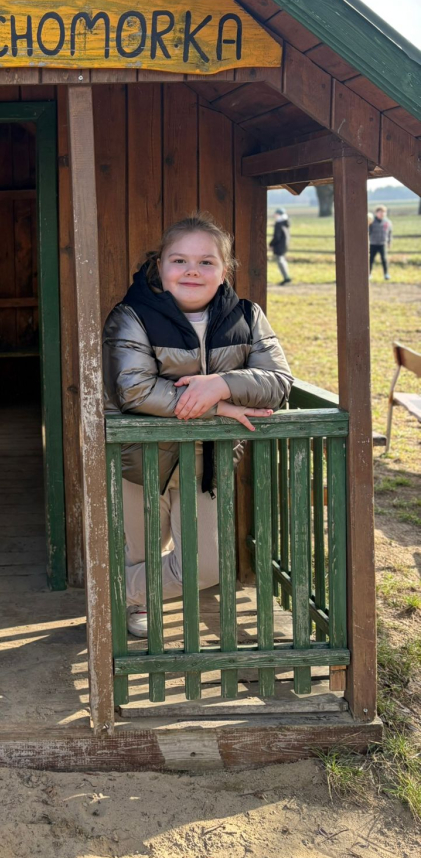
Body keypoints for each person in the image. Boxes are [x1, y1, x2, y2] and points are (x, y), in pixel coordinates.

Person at [102, 213, 292, 638]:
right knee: (142, 549)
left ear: (225, 270)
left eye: (206, 262)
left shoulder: (248, 316)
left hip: (209, 463)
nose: (192, 270)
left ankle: (116, 590)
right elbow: (133, 391)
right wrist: (217, 406)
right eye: (179, 260)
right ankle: (139, 601)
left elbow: (279, 383)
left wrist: (222, 383)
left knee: (206, 566)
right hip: (141, 460)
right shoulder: (131, 315)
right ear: (160, 266)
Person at [369, 205, 393, 280]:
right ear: (376, 213)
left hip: (382, 244)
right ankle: (369, 274)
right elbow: (368, 232)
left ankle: (386, 274)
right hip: (373, 243)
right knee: (370, 259)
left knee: (384, 259)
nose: (382, 214)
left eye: (383, 212)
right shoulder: (372, 222)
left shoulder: (388, 222)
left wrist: (389, 242)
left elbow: (390, 233)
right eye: (380, 212)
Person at [269, 207, 292, 285]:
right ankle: (287, 277)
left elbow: (277, 237)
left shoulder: (278, 224)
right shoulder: (285, 223)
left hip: (279, 246)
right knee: (282, 261)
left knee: (280, 261)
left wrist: (271, 244)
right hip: (284, 245)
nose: (274, 215)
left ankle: (286, 278)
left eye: (276, 214)